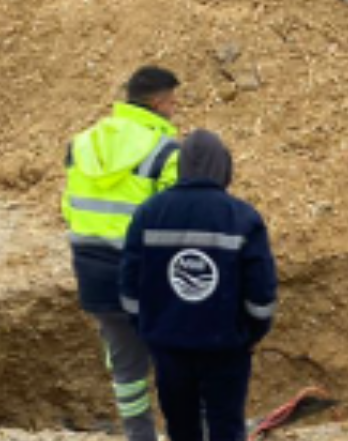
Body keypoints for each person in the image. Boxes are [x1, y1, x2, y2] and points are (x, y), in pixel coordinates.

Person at [120, 129, 278, 441]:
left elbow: (129, 289)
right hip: (226, 350)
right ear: (224, 167)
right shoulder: (243, 218)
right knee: (226, 428)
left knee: (181, 429)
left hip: (168, 347)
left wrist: (150, 330)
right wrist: (249, 334)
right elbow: (261, 295)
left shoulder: (148, 214)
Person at [63, 66, 183, 441]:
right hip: (144, 272)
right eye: (173, 100)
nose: (176, 108)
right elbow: (176, 220)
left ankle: (139, 434)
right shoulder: (166, 151)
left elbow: (72, 205)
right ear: (158, 102)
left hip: (91, 267)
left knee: (125, 364)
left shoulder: (83, 143)